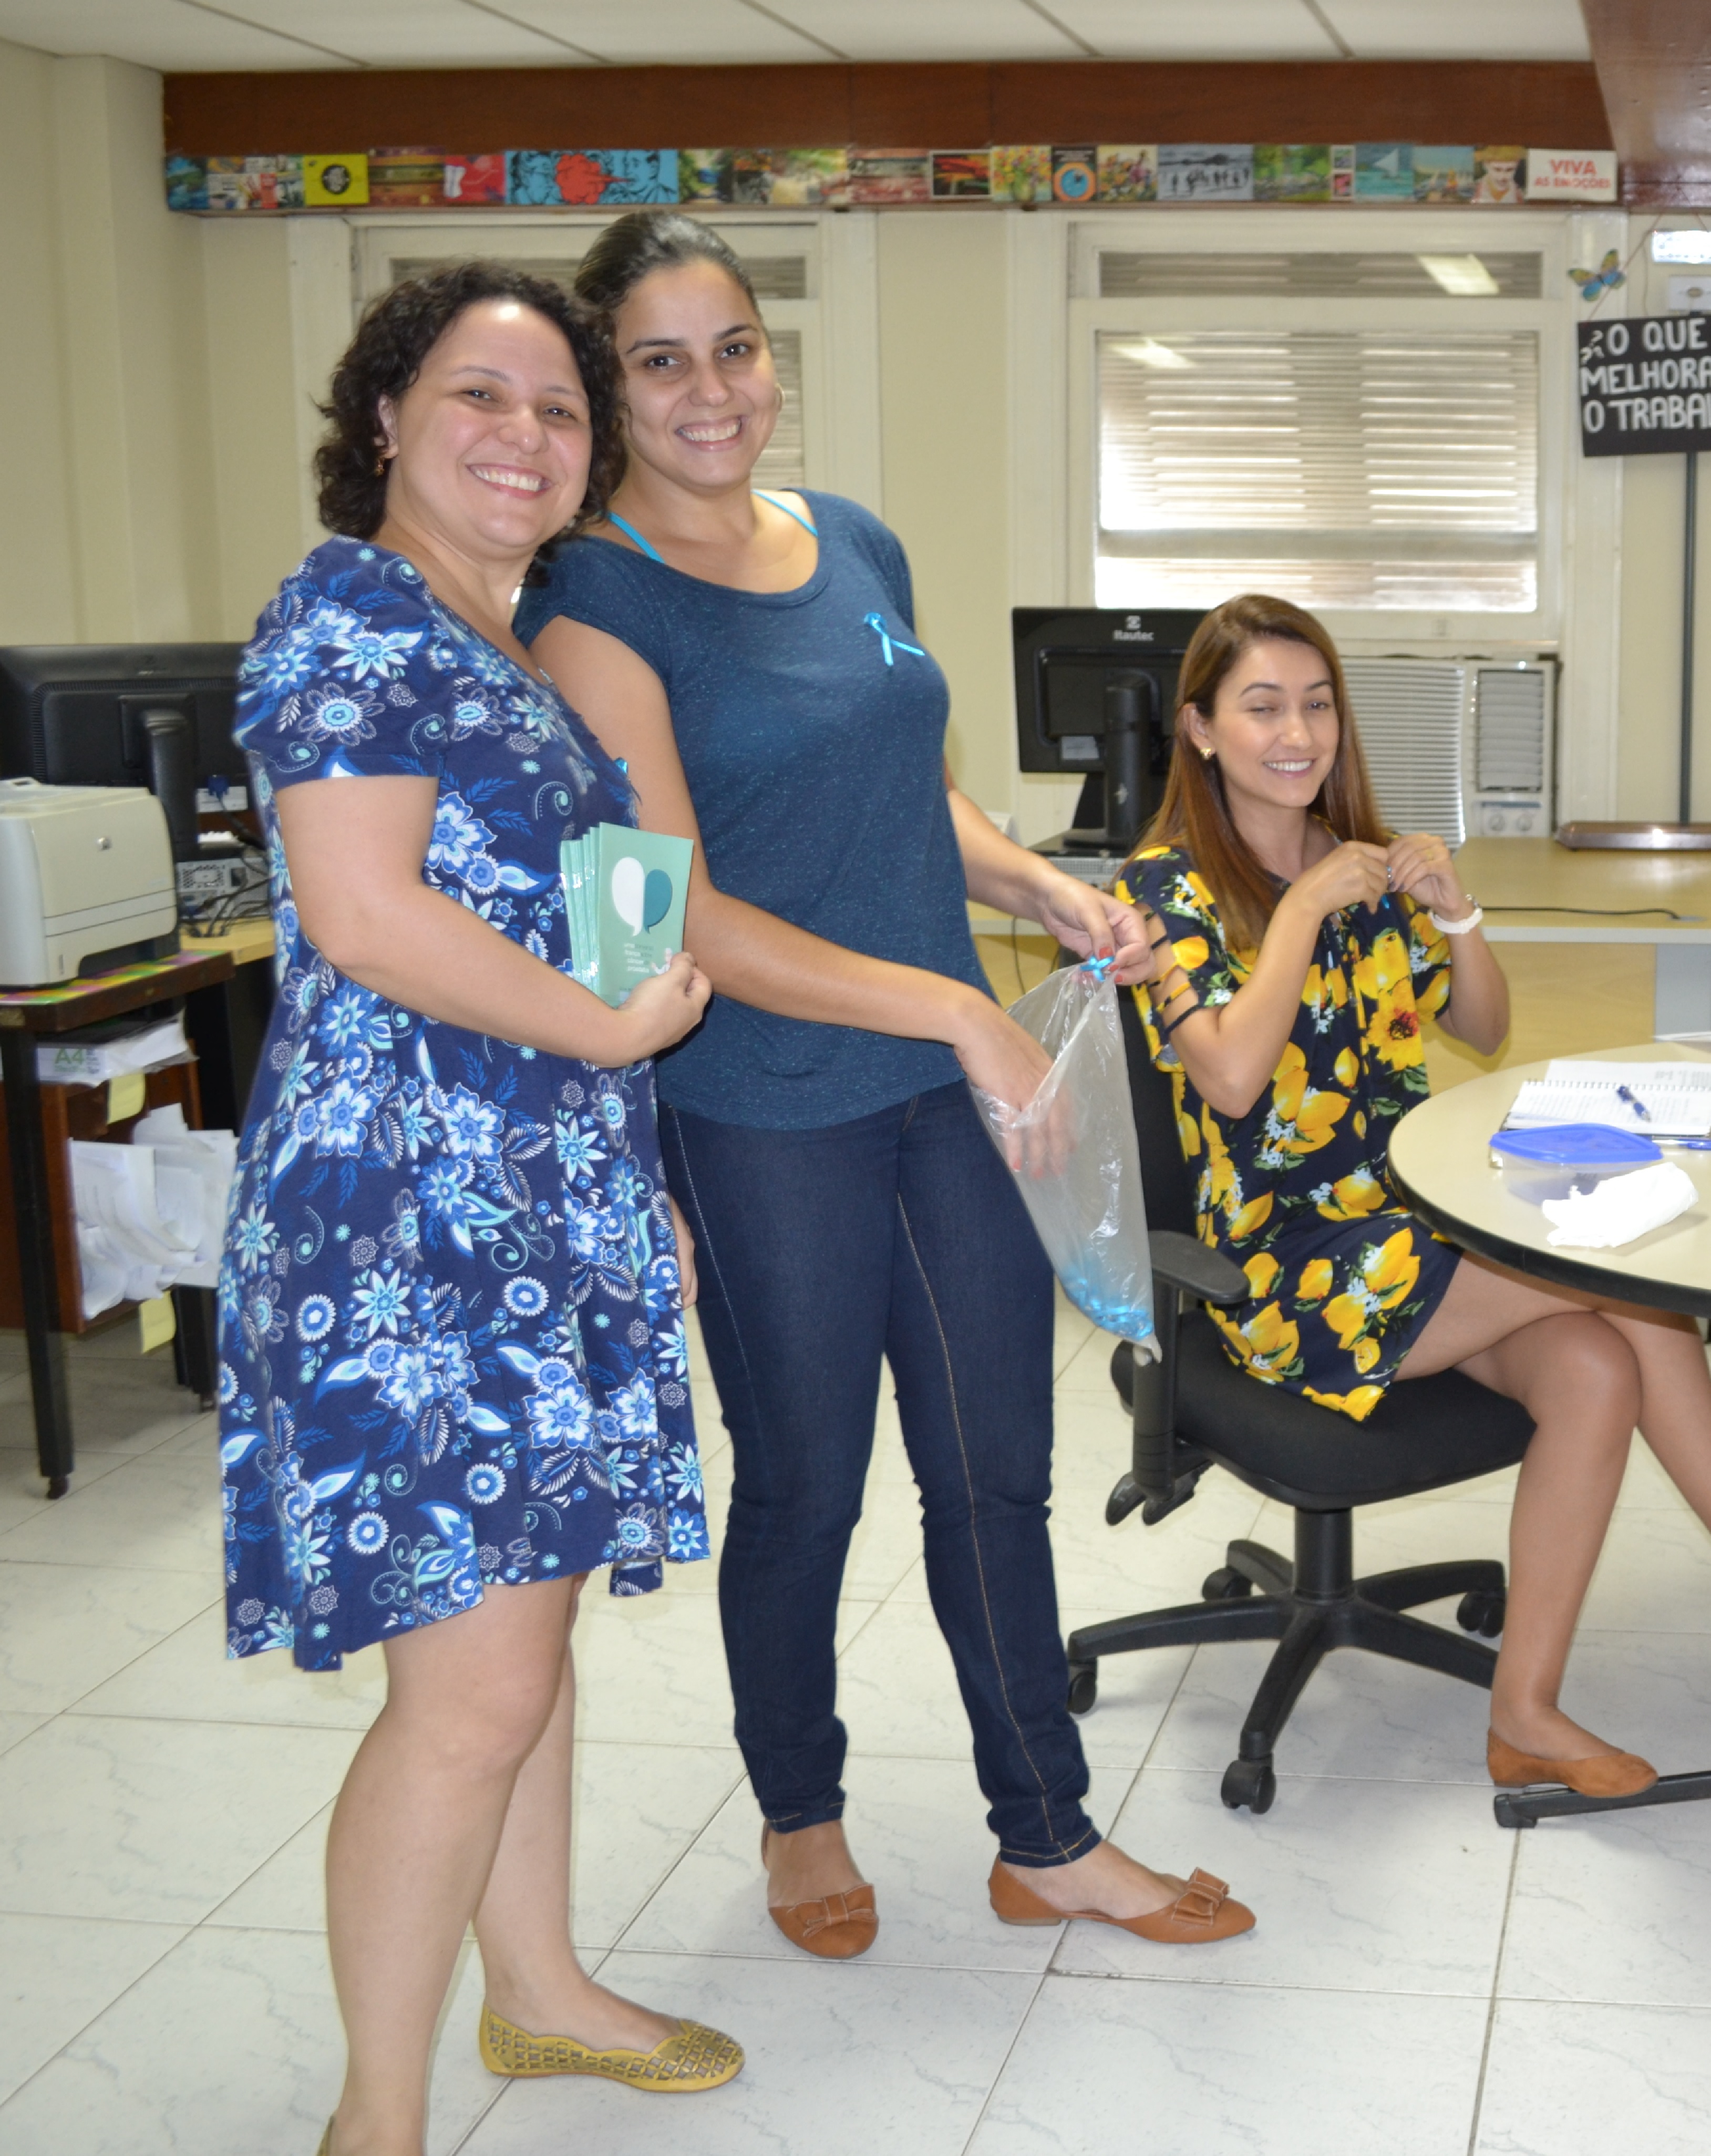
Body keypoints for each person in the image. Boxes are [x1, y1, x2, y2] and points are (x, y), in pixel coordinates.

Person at [521, 210, 1249, 1956]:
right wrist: (959, 1012)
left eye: (736, 348)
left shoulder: (853, 541)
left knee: (997, 1465)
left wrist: (1040, 886)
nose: (711, 391)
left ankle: (1047, 1832)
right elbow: (674, 906)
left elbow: (903, 786)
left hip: (939, 1090)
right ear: (608, 385)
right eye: (660, 361)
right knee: (806, 1483)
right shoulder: (591, 601)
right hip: (761, 1103)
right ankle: (800, 1811)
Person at [215, 263, 734, 2156]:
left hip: (541, 1200)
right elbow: (365, 915)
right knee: (467, 1689)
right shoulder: (348, 612)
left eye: (559, 409)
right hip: (411, 1228)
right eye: (479, 396)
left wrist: (631, 1168)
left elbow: (594, 919)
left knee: (523, 1635)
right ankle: (378, 2113)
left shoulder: (506, 651)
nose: (527, 435)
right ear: (385, 419)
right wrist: (616, 1026)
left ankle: (540, 1986)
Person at [1119, 593, 1711, 1796]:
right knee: (1625, 1280)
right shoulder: (1161, 890)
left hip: (1409, 1226)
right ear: (1203, 729)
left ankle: (1527, 1710)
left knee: (1598, 1361)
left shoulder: (1361, 864)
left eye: (1317, 704)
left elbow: (1483, 1026)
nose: (1298, 732)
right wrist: (1302, 913)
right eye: (1262, 706)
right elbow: (1226, 1078)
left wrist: (1458, 911)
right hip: (1278, 1268)